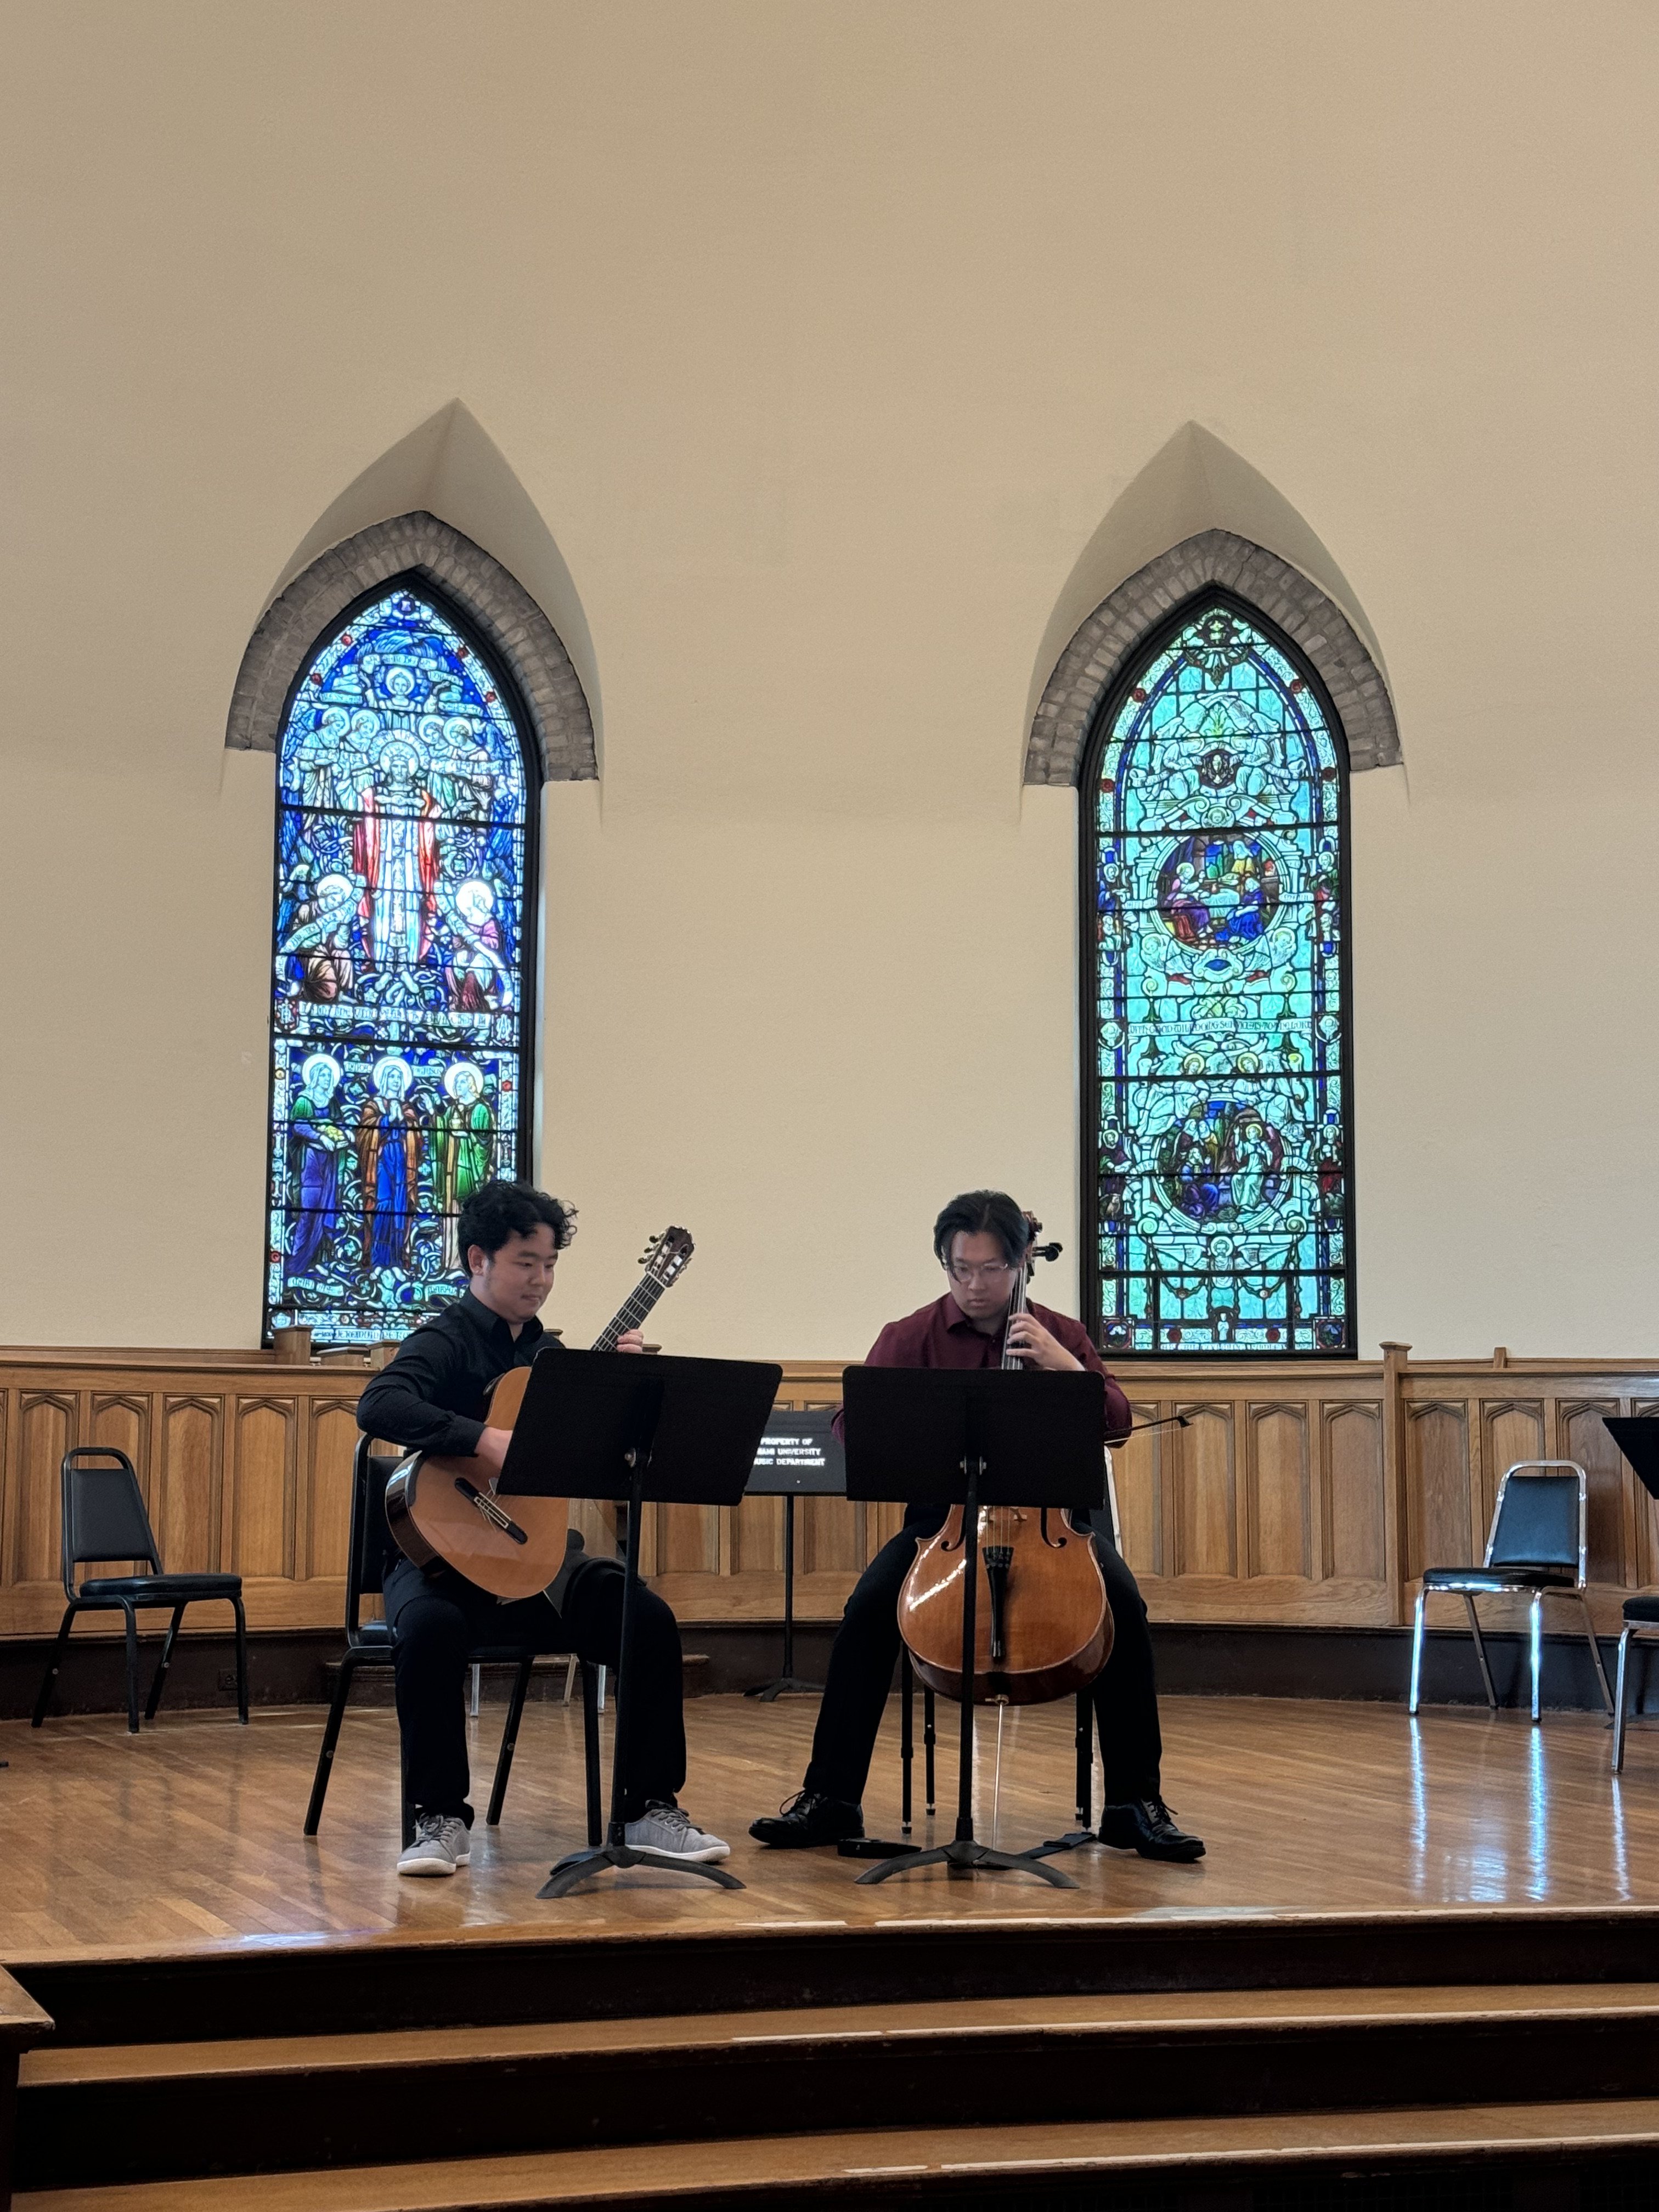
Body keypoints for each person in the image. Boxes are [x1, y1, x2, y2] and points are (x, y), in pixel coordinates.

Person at [750, 1189, 1204, 1863]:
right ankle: (831, 1797)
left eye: (992, 1269)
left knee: (1125, 1608)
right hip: (943, 1526)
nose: (975, 1285)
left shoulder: (1059, 1332)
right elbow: (854, 1426)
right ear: (945, 1261)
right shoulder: (910, 1337)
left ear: (1021, 1264)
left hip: (1054, 1526)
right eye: (960, 1268)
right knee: (867, 1611)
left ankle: (1134, 1803)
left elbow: (1115, 1419)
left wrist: (1064, 1365)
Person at [357, 1178, 729, 1877]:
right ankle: (438, 1818)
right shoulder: (443, 1341)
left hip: (538, 1560)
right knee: (431, 1631)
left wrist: (620, 1397)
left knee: (643, 1617)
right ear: (479, 1260)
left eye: (550, 1263)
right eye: (526, 1262)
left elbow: (588, 1467)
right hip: (441, 1556)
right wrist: (479, 1438)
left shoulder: (556, 1358)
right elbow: (379, 1405)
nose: (541, 1278)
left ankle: (647, 1808)